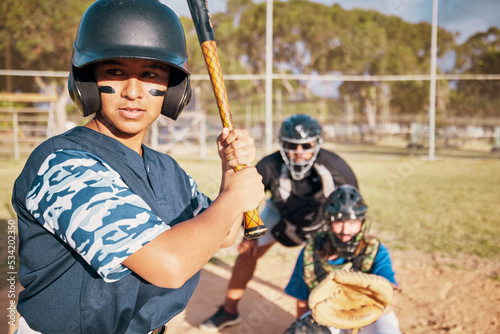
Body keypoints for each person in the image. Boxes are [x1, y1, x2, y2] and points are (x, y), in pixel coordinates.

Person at [11, 1, 265, 333]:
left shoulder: (165, 168)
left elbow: (224, 234)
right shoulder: (62, 164)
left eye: (150, 74)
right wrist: (235, 198)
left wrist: (230, 170)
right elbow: (169, 266)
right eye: (115, 72)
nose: (133, 92)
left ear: (172, 91)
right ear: (88, 82)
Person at [200, 114, 359, 332]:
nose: (299, 152)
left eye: (306, 146)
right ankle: (229, 311)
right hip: (280, 214)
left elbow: (352, 207)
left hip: (322, 221)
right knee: (247, 254)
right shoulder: (272, 164)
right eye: (292, 146)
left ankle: (314, 320)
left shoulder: (335, 167)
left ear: (318, 144)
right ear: (282, 145)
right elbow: (247, 194)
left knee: (315, 266)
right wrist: (250, 236)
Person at [283, 184, 401, 334]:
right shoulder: (311, 252)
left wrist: (382, 303)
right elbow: (302, 302)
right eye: (338, 222)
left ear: (362, 222)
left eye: (352, 222)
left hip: (369, 314)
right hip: (328, 317)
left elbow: (393, 292)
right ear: (328, 222)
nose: (346, 231)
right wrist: (304, 327)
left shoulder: (375, 250)